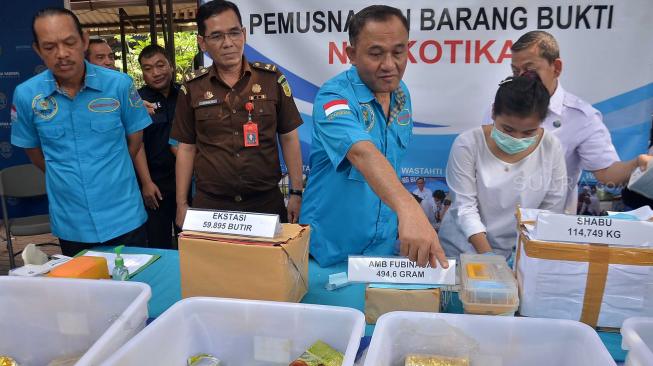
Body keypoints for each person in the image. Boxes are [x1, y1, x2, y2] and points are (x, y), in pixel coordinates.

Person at [300, 5, 448, 268]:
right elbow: (362, 152)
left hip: (381, 251)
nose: (389, 65)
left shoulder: (400, 94)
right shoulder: (333, 98)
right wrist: (409, 208)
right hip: (330, 253)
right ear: (352, 54)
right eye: (376, 54)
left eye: (398, 52)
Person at [11, 8, 151, 256]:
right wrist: (70, 172)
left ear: (84, 41)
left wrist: (108, 170)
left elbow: (135, 141)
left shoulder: (119, 85)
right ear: (37, 50)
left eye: (69, 42)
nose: (62, 54)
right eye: (50, 47)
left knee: (136, 286)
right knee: (83, 291)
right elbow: (35, 154)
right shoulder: (26, 95)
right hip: (71, 222)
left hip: (124, 215)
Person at [486, 31, 650, 213]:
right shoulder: (500, 107)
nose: (523, 78)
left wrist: (637, 163)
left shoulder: (581, 117)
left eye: (530, 70)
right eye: (516, 72)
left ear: (556, 68)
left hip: (547, 225)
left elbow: (606, 172)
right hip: (495, 220)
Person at [171, 0, 304, 227]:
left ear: (244, 34)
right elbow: (186, 148)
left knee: (267, 263)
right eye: (216, 36)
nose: (228, 43)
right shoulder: (192, 88)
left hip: (265, 204)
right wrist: (182, 203)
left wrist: (296, 193)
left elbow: (289, 137)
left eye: (234, 33)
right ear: (202, 43)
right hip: (211, 207)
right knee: (213, 264)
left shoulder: (271, 79)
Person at [439, 73, 567, 259]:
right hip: (463, 249)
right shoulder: (468, 144)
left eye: (529, 132)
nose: (517, 138)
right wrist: (490, 260)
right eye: (507, 129)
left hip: (520, 253)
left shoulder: (551, 147)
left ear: (541, 122)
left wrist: (522, 259)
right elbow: (465, 208)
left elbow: (550, 211)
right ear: (493, 113)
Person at [134, 44, 180, 249]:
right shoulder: (136, 101)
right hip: (155, 184)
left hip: (186, 183)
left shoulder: (186, 96)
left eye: (160, 65)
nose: (155, 73)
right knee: (157, 244)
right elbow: (137, 144)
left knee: (190, 244)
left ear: (171, 66)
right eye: (148, 68)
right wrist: (146, 183)